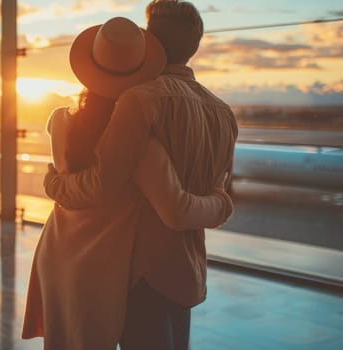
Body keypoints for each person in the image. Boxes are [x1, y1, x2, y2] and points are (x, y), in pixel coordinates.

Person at [22, 16, 234, 349]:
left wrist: (53, 185)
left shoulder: (96, 112)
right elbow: (199, 196)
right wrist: (222, 204)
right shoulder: (221, 113)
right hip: (163, 267)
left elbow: (100, 185)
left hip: (94, 260)